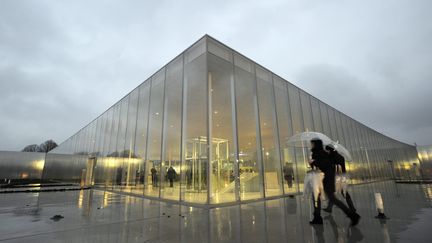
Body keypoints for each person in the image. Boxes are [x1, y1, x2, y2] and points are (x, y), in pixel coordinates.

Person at [309, 138, 360, 226]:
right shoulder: (322, 153)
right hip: (326, 177)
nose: (311, 145)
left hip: (326, 178)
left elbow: (323, 165)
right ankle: (317, 217)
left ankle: (352, 215)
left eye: (312, 144)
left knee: (331, 198)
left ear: (316, 144)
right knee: (319, 197)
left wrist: (313, 163)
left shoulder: (319, 153)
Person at [324, 145, 357, 213]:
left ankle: (330, 208)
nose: (327, 152)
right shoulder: (340, 157)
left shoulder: (331, 157)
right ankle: (352, 208)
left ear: (330, 150)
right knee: (342, 192)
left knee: (335, 192)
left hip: (336, 177)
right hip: (342, 176)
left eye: (327, 150)